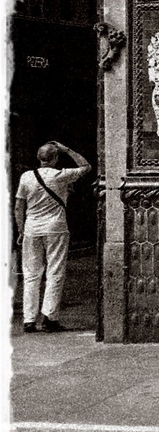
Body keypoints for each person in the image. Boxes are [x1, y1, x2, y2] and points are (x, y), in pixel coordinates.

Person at [14, 141, 91, 332]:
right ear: (55, 158)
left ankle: (29, 319)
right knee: (55, 271)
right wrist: (67, 149)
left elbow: (18, 206)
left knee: (31, 274)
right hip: (56, 228)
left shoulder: (26, 177)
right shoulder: (60, 176)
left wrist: (21, 230)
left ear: (39, 158)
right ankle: (50, 318)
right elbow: (86, 166)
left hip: (32, 228)